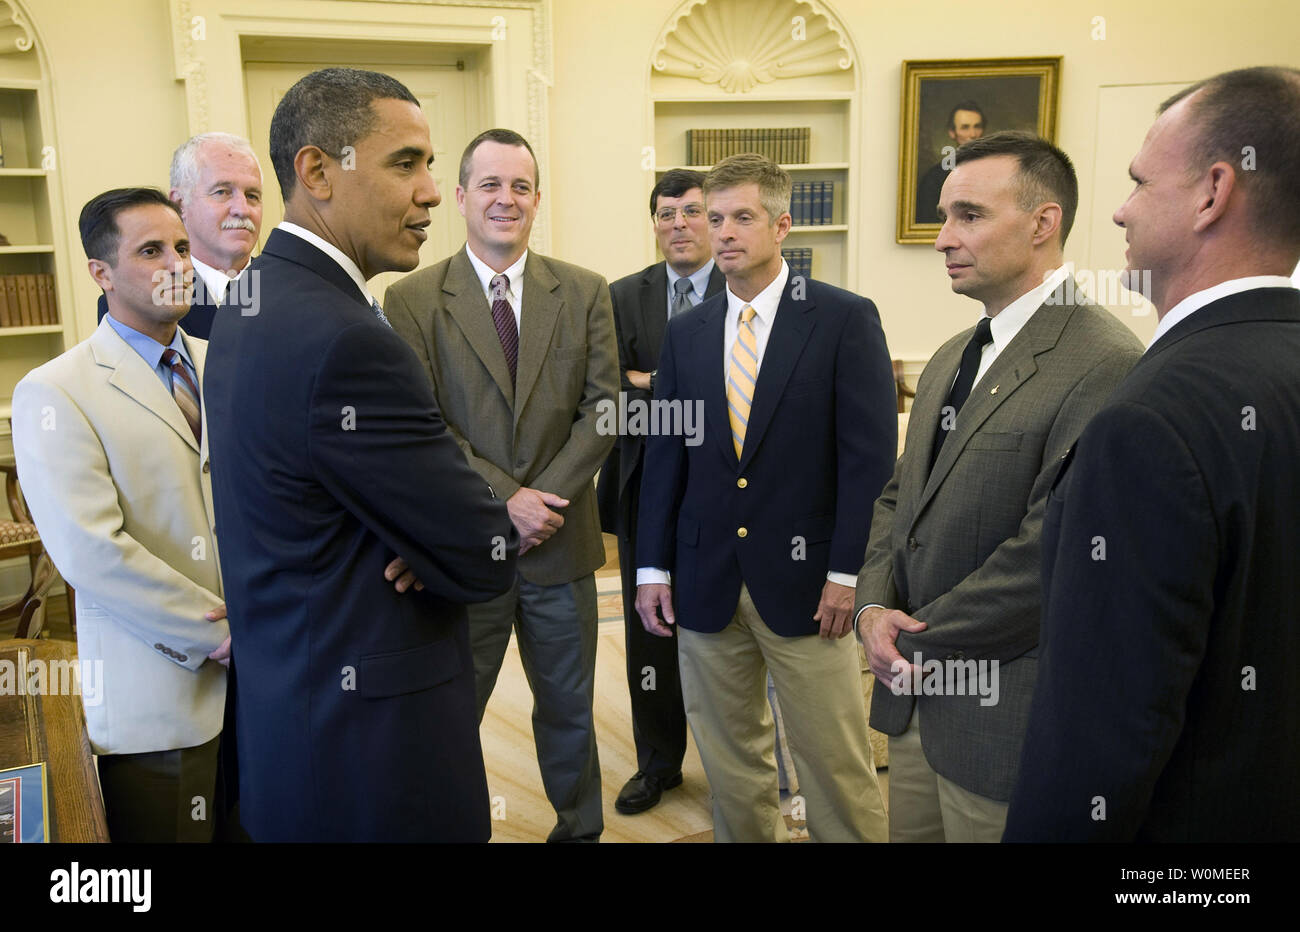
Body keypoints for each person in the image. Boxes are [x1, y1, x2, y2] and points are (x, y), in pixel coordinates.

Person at [202, 68, 517, 842]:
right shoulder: (345, 337)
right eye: (405, 163)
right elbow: (485, 548)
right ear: (318, 172)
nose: (435, 192)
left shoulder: (252, 301)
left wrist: (420, 529)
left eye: (431, 165)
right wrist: (434, 533)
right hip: (374, 772)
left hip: (298, 737)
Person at [1004, 67, 1300, 842]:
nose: (1119, 207)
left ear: (1212, 192)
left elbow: (1099, 735)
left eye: (1139, 181)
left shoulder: (1150, 418)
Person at [855, 132, 1142, 843]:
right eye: (944, 215)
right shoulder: (955, 353)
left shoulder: (1105, 361)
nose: (942, 237)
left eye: (969, 216)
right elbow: (900, 502)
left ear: (1042, 223)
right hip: (912, 701)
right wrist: (869, 608)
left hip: (1000, 719)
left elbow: (1051, 551)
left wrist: (908, 639)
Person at [635, 153, 895, 842]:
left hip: (811, 589)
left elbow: (869, 465)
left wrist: (848, 574)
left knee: (835, 765)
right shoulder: (686, 332)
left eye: (740, 217)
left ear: (783, 224)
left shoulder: (843, 319)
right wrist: (653, 568)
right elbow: (666, 458)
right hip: (705, 581)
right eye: (711, 217)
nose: (721, 232)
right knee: (732, 767)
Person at [385, 128, 618, 843]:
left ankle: (579, 832)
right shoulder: (411, 299)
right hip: (465, 550)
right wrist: (504, 500)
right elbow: (420, 425)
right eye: (489, 184)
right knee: (455, 710)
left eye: (519, 185)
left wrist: (541, 501)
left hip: (560, 544)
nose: (505, 199)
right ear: (460, 197)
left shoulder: (583, 291)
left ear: (537, 199)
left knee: (570, 712)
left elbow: (604, 408)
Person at [13, 188, 229, 842]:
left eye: (184, 248)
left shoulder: (223, 363)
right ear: (100, 273)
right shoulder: (55, 390)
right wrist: (218, 633)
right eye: (151, 250)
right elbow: (91, 552)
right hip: (159, 694)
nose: (177, 265)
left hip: (263, 681)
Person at [597, 168, 725, 815]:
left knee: (726, 629)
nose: (679, 223)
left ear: (714, 219)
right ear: (654, 223)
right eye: (666, 212)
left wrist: (652, 382)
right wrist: (655, 390)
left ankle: (734, 765)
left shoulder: (745, 289)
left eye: (692, 211)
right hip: (645, 491)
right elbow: (604, 400)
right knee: (650, 631)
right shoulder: (620, 296)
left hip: (729, 496)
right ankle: (659, 764)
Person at [96, 133, 263, 337]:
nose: (242, 209)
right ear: (179, 203)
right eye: (222, 192)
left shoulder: (291, 286)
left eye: (252, 196)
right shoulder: (138, 299)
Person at [916, 101, 985, 224]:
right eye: (965, 127)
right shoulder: (935, 177)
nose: (973, 134)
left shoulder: (994, 171)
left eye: (977, 127)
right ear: (952, 133)